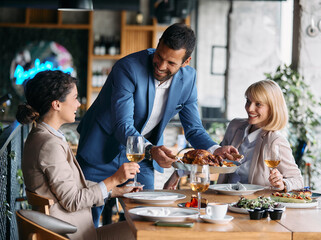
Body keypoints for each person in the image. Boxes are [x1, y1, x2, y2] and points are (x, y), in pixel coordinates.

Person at [76, 23, 239, 225]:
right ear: (158, 44)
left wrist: (215, 149)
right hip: (102, 150)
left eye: (171, 62)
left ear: (186, 61)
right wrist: (151, 150)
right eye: (159, 56)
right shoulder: (128, 68)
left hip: (141, 157)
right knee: (85, 220)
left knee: (147, 217)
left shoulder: (188, 80)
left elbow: (194, 129)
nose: (161, 66)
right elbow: (122, 124)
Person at [17, 70, 140, 240]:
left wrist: (115, 191)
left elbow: (72, 186)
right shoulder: (49, 144)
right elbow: (72, 200)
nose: (78, 105)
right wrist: (114, 179)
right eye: (74, 98)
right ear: (56, 104)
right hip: (73, 235)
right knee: (142, 232)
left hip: (75, 232)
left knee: (139, 229)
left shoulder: (41, 136)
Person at [217, 80, 304, 192]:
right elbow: (217, 160)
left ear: (272, 108)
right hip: (223, 197)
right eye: (248, 101)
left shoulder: (276, 141)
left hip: (253, 204)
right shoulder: (235, 126)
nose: (249, 108)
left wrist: (283, 183)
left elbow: (298, 180)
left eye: (258, 104)